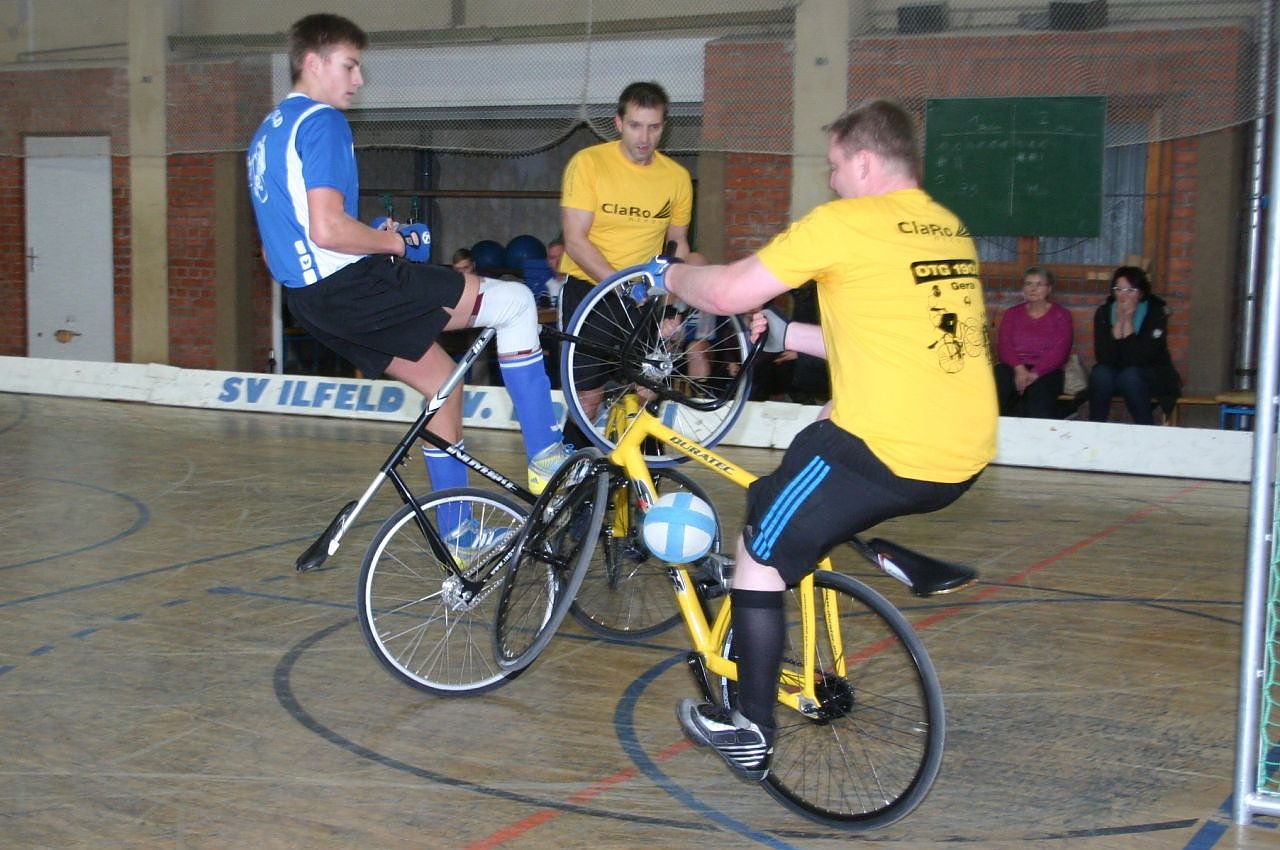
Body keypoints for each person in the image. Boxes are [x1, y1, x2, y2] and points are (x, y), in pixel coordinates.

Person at [648, 100, 997, 780]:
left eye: (835, 167)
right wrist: (789, 335)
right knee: (810, 448)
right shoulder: (946, 227)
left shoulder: (844, 223)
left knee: (758, 545)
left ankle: (750, 726)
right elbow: (884, 337)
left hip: (888, 451)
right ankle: (839, 542)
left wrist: (665, 275)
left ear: (863, 162)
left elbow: (727, 291)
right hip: (963, 454)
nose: (832, 181)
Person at [246, 14, 569, 546]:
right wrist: (396, 245)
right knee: (514, 302)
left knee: (443, 385)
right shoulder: (322, 121)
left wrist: (368, 239)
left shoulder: (267, 133)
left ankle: (459, 537)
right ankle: (545, 458)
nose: (359, 79)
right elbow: (327, 229)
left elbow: (276, 244)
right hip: (351, 287)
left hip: (308, 300)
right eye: (350, 66)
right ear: (313, 62)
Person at [559, 81, 693, 438]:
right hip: (592, 292)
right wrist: (622, 286)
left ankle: (642, 471)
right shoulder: (588, 164)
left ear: (664, 127)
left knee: (649, 391)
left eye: (653, 127)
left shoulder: (677, 178)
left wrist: (671, 307)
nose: (644, 137)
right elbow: (575, 240)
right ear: (618, 123)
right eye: (635, 126)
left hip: (645, 295)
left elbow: (677, 244)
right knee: (588, 399)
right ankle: (572, 464)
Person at [1087, 265, 1182, 425]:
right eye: (1119, 289)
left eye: (1130, 290)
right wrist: (1119, 322)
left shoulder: (1155, 312)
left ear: (1141, 293)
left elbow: (1139, 358)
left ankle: (1145, 428)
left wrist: (1129, 321)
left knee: (1130, 376)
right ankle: (1095, 428)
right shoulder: (1104, 312)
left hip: (1150, 371)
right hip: (1115, 370)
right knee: (1100, 374)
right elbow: (1104, 357)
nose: (1123, 295)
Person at [993, 265, 1074, 418]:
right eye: (1028, 283)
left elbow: (1060, 351)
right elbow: (1004, 345)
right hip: (1015, 367)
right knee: (1000, 379)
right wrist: (1019, 370)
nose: (1033, 288)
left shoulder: (1062, 315)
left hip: (1046, 370)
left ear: (1049, 289)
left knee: (1039, 400)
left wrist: (1034, 374)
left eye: (1039, 284)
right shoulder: (1012, 314)